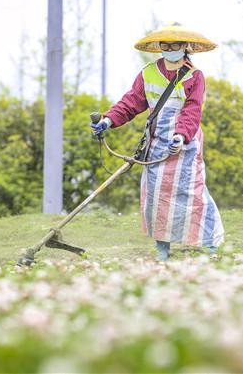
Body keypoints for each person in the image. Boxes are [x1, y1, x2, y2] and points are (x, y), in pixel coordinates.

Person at [91, 23, 224, 261]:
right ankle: (162, 248)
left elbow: (192, 111)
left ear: (186, 47)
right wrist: (108, 120)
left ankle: (209, 245)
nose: (170, 48)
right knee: (156, 197)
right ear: (159, 47)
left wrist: (181, 136)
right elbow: (130, 103)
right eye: (166, 44)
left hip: (185, 144)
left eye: (176, 44)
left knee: (192, 194)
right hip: (155, 144)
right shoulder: (147, 73)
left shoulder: (195, 77)